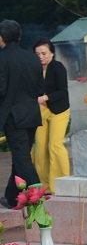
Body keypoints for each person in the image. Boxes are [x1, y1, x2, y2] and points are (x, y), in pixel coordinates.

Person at [0, 20, 44, 208]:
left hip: (13, 115)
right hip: (31, 113)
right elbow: (40, 89)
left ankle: (39, 198)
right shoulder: (33, 57)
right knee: (21, 156)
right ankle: (11, 197)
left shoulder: (2, 58)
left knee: (22, 158)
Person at [31, 38, 70, 193]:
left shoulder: (58, 68)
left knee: (54, 145)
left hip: (59, 110)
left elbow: (62, 91)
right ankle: (44, 186)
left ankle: (62, 184)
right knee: (40, 149)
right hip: (40, 111)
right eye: (37, 53)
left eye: (44, 53)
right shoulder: (33, 69)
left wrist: (45, 97)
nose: (40, 56)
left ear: (52, 53)